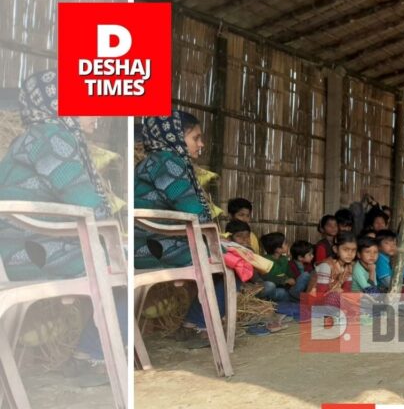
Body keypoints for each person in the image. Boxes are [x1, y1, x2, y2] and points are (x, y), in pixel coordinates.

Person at [0, 70, 126, 386]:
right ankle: (95, 355)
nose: (97, 114)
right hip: (34, 253)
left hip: (20, 250)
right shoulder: (52, 137)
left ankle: (91, 353)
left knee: (119, 258)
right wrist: (113, 240)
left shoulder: (34, 138)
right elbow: (88, 206)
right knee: (126, 264)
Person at [136, 111, 231, 349]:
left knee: (230, 255)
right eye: (195, 137)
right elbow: (194, 212)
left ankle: (195, 324)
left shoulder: (158, 161)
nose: (201, 144)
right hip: (154, 246)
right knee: (233, 261)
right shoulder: (167, 162)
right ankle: (196, 324)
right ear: (175, 137)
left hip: (153, 242)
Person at [312, 232, 356, 297]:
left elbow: (347, 289)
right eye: (345, 250)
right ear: (335, 249)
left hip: (334, 297)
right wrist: (335, 291)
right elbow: (320, 294)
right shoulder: (326, 266)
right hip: (316, 299)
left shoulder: (349, 267)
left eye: (353, 250)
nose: (350, 254)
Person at [258, 232, 296, 302]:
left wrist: (293, 279)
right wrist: (284, 280)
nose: (288, 245)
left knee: (283, 292)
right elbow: (265, 277)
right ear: (277, 249)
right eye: (285, 243)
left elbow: (289, 273)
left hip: (279, 290)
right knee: (272, 287)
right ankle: (264, 300)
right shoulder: (265, 260)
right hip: (271, 289)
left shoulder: (284, 259)